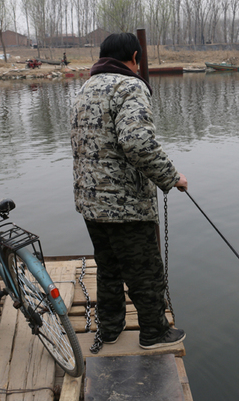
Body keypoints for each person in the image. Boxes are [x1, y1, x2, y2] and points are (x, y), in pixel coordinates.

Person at [70, 32, 188, 349]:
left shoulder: (85, 88)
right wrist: (172, 176)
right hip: (126, 205)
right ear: (135, 58)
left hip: (90, 200)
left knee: (108, 267)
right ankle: (154, 332)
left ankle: (110, 328)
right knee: (145, 270)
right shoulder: (130, 86)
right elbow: (137, 142)